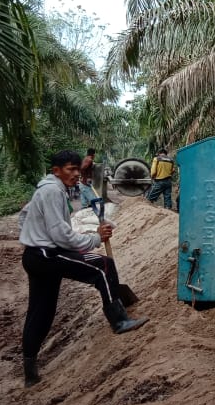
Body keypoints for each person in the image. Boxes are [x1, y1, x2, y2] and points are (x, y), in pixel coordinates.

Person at [19, 150, 148, 387]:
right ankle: (119, 320)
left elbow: (25, 215)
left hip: (35, 254)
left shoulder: (47, 189)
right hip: (48, 254)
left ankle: (30, 368)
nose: (76, 174)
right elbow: (61, 234)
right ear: (56, 170)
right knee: (102, 266)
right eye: (71, 169)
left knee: (41, 312)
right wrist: (95, 239)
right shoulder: (52, 191)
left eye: (78, 169)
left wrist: (35, 234)